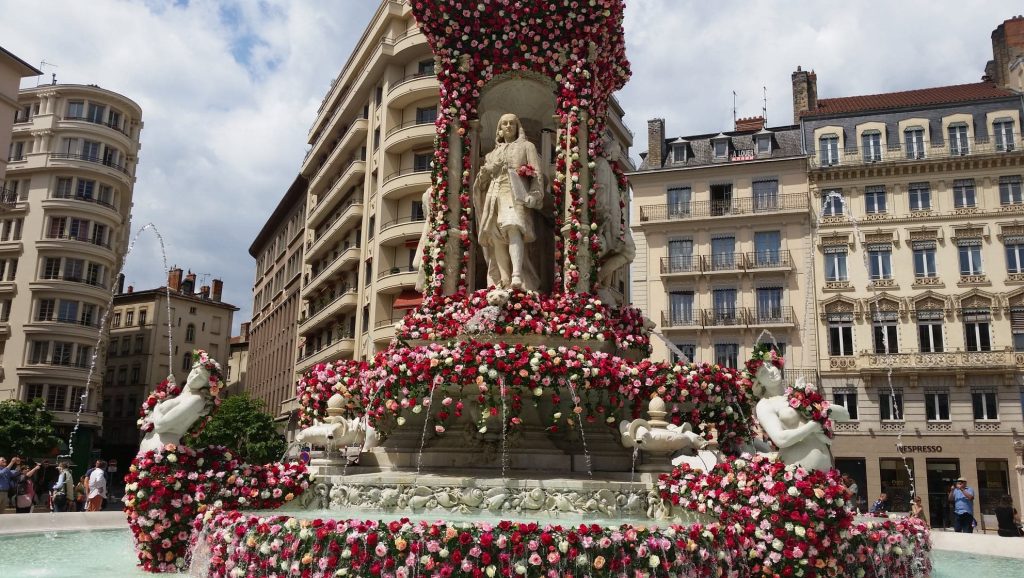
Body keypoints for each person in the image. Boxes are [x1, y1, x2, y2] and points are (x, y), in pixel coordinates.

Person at [472, 112, 545, 290]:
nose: (508, 126)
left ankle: (517, 275)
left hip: (515, 194)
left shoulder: (527, 147)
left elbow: (537, 174)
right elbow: (480, 182)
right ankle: (503, 280)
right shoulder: (492, 154)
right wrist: (487, 171)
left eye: (512, 123)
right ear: (499, 129)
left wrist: (534, 195)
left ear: (517, 127)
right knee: (495, 236)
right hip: (494, 194)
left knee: (513, 228)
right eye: (504, 123)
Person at [750, 346, 851, 472]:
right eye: (764, 373)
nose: (770, 372)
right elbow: (780, 439)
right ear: (758, 382)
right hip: (797, 473)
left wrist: (823, 408)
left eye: (770, 366)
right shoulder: (765, 405)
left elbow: (845, 415)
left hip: (826, 472)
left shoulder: (798, 393)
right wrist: (812, 427)